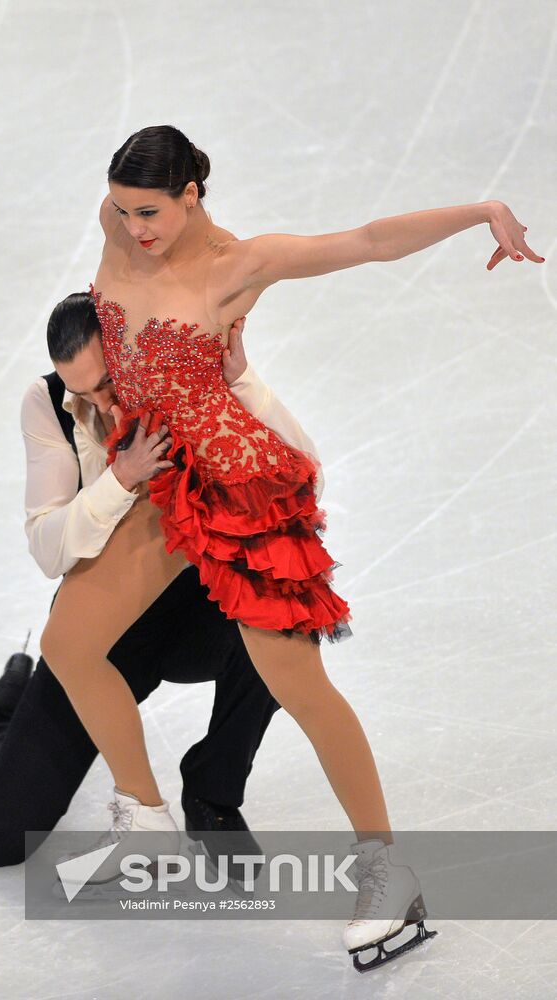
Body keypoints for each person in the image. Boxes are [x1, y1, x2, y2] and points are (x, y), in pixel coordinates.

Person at [39, 124, 542, 969]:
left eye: (151, 212)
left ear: (193, 194)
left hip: (235, 489)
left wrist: (482, 209)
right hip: (156, 472)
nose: (134, 229)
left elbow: (369, 242)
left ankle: (388, 872)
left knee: (298, 684)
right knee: (69, 644)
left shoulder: (238, 265)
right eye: (123, 212)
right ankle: (148, 827)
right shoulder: (114, 220)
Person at [0, 300, 325, 870]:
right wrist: (121, 477)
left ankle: (213, 793)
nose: (102, 403)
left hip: (201, 613)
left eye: (107, 383)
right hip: (105, 633)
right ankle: (2, 704)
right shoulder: (48, 403)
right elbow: (48, 548)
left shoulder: (186, 386)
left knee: (284, 605)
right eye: (82, 391)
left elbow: (306, 474)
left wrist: (244, 381)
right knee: (0, 837)